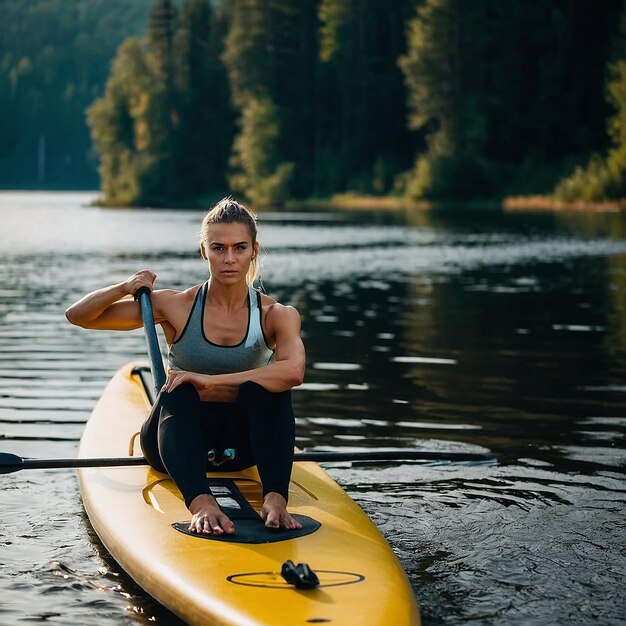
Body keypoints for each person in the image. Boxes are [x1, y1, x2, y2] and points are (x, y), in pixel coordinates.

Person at [65, 197, 305, 536]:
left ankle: (276, 498)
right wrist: (124, 287)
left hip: (243, 446)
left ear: (254, 250)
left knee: (270, 390)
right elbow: (78, 316)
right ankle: (200, 502)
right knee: (180, 390)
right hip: (174, 442)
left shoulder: (276, 315)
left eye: (239, 248)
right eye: (219, 248)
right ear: (204, 252)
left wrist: (211, 380)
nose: (230, 259)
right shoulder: (176, 306)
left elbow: (293, 372)